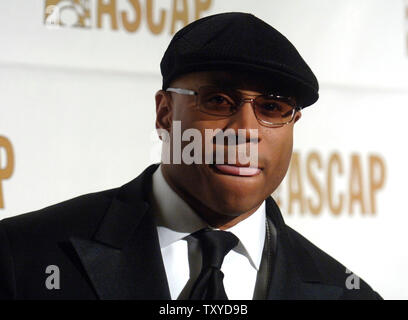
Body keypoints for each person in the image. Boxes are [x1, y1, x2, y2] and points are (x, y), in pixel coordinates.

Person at [0, 12, 381, 300]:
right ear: (165, 114)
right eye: (218, 100)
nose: (245, 132)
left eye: (272, 107)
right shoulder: (21, 258)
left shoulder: (348, 294)